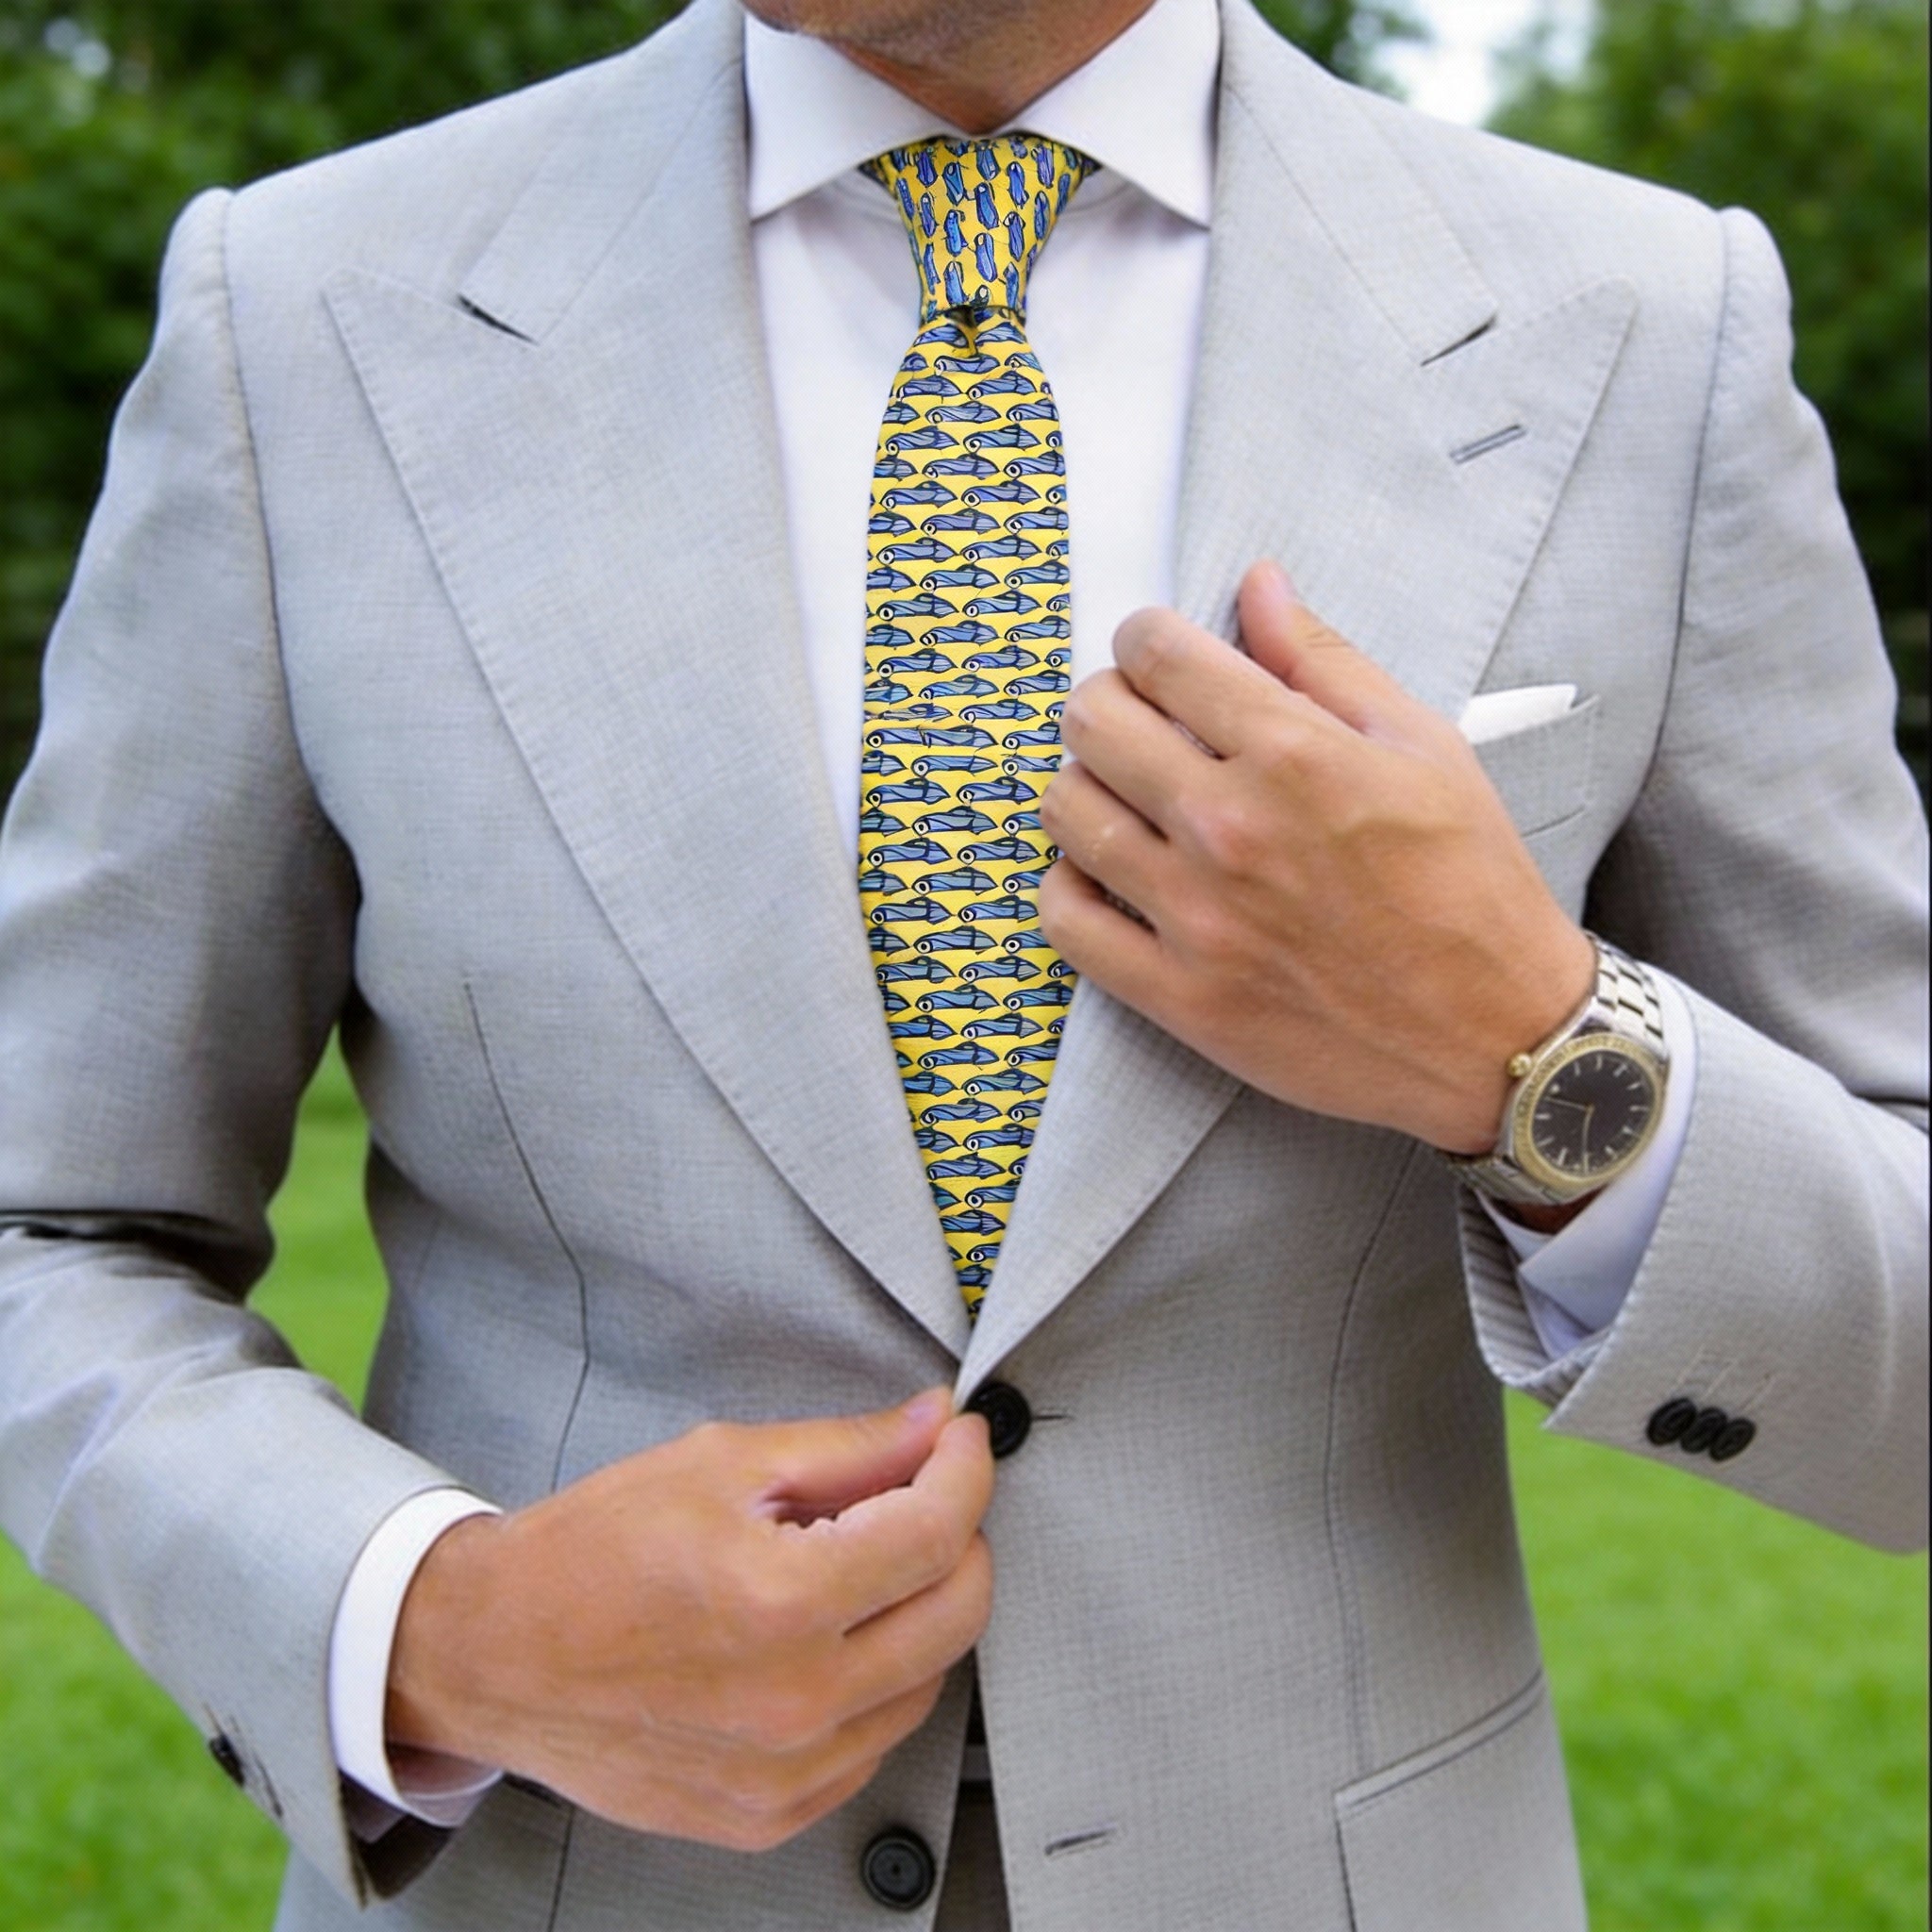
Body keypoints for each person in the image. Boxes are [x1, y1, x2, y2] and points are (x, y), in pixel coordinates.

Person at [0, 0, 1924, 1925]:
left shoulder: (1646, 327)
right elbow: (50, 1229)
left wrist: (1531, 1047)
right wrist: (441, 1623)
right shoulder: (303, 312)